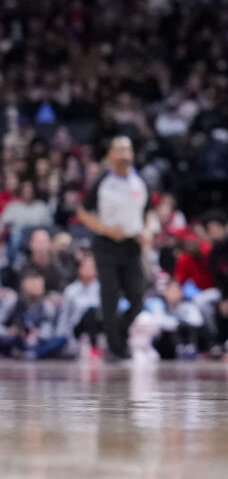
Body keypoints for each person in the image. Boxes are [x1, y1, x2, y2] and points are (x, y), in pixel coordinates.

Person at [78, 136, 149, 361]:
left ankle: (118, 330)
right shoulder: (102, 182)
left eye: (128, 149)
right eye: (119, 149)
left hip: (132, 244)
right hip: (106, 244)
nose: (125, 153)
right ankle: (115, 348)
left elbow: (150, 212)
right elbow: (83, 213)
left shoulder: (140, 182)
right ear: (111, 155)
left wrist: (148, 231)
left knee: (138, 297)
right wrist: (106, 229)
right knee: (110, 297)